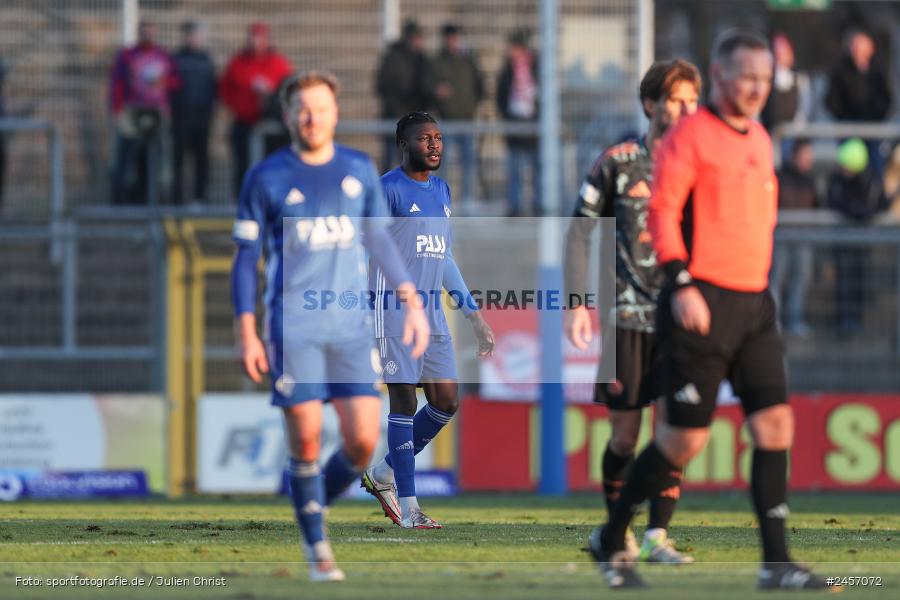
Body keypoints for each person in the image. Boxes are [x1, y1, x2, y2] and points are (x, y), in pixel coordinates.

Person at [591, 30, 828, 590]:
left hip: (754, 304)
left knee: (775, 426)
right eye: (746, 76)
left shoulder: (762, 140)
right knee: (682, 441)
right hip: (701, 300)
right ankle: (613, 534)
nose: (756, 88)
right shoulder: (689, 137)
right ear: (720, 77)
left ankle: (777, 564)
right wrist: (681, 282)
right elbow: (663, 212)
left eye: (765, 79)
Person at [230, 71, 430, 582]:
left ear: (335, 113)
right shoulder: (266, 178)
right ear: (287, 115)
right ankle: (318, 547)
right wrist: (246, 328)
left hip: (350, 327)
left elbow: (381, 243)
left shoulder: (358, 171)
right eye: (302, 108)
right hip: (292, 329)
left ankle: (311, 498)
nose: (311, 117)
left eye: (320, 108)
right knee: (307, 439)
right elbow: (244, 258)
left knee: (363, 442)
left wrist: (410, 298)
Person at [565, 59, 701, 565]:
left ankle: (657, 538)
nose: (687, 110)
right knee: (625, 436)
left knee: (675, 436)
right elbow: (579, 232)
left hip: (680, 320)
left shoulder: (701, 163)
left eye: (692, 100)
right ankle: (617, 530)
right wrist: (577, 304)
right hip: (625, 320)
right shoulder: (618, 162)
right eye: (676, 100)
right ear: (651, 104)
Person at [361, 112, 495, 528]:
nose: (434, 145)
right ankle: (411, 508)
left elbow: (444, 256)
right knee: (404, 401)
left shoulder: (441, 190)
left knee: (446, 401)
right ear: (405, 145)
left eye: (438, 138)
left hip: (433, 314)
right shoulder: (386, 190)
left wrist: (472, 313)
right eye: (425, 139)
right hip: (394, 309)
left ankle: (383, 473)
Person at [219, 22, 293, 197]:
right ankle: (242, 200)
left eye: (260, 38)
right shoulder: (238, 62)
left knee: (272, 164)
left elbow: (287, 89)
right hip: (244, 122)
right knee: (243, 165)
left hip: (271, 126)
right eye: (253, 37)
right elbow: (225, 89)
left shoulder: (278, 63)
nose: (256, 42)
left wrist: (270, 93)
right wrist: (239, 105)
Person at [108, 20, 177, 204]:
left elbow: (175, 81)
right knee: (128, 158)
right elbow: (117, 82)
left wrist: (164, 83)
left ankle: (152, 201)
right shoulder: (128, 55)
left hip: (157, 114)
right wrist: (116, 109)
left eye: (151, 32)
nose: (148, 36)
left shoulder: (163, 56)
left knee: (153, 159)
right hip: (133, 114)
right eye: (145, 32)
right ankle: (124, 203)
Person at [826, 138, 888, 336]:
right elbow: (836, 202)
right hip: (843, 242)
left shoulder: (870, 181)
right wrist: (858, 212)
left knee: (859, 280)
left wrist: (864, 212)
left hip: (861, 241)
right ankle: (845, 319)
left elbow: (880, 204)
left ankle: (856, 318)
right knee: (844, 281)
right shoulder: (837, 181)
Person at [426, 24, 484, 207]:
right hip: (446, 120)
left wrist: (473, 104)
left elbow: (479, 85)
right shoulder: (438, 61)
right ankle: (442, 199)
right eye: (450, 38)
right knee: (442, 162)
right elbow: (427, 85)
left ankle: (468, 199)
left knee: (468, 162)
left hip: (467, 118)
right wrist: (437, 92)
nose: (453, 41)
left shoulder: (468, 60)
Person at [825, 30, 893, 176]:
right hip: (849, 132)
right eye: (856, 48)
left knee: (875, 173)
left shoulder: (878, 73)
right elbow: (831, 100)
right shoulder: (840, 72)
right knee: (850, 174)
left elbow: (887, 99)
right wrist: (844, 117)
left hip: (873, 132)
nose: (859, 52)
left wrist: (877, 116)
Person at [769, 139, 817, 337]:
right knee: (776, 279)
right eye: (804, 156)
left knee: (800, 279)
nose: (807, 161)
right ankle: (773, 321)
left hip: (803, 237)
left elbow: (817, 205)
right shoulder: (780, 177)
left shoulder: (810, 180)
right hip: (781, 235)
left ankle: (794, 320)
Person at [171, 20, 216, 204]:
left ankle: (200, 197)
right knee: (179, 159)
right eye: (190, 35)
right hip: (181, 116)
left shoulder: (206, 59)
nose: (193, 39)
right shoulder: (177, 59)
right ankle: (177, 198)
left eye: (196, 35)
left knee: (201, 159)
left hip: (202, 117)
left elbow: (213, 88)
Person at [496, 30, 540, 217]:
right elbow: (501, 96)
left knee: (537, 168)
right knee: (514, 169)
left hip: (533, 127)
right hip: (514, 126)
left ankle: (539, 204)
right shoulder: (507, 70)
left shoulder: (536, 68)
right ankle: (515, 206)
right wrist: (506, 117)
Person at [375, 20, 429, 173]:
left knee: (410, 162)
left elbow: (425, 88)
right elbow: (383, 86)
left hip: (412, 122)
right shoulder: (393, 57)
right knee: (389, 158)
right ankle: (384, 194)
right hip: (393, 117)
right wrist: (399, 111)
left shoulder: (422, 60)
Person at [760, 32, 810, 157]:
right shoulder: (765, 78)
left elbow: (805, 106)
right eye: (777, 53)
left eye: (783, 53)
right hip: (768, 134)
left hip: (791, 137)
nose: (780, 57)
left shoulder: (799, 79)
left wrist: (796, 129)